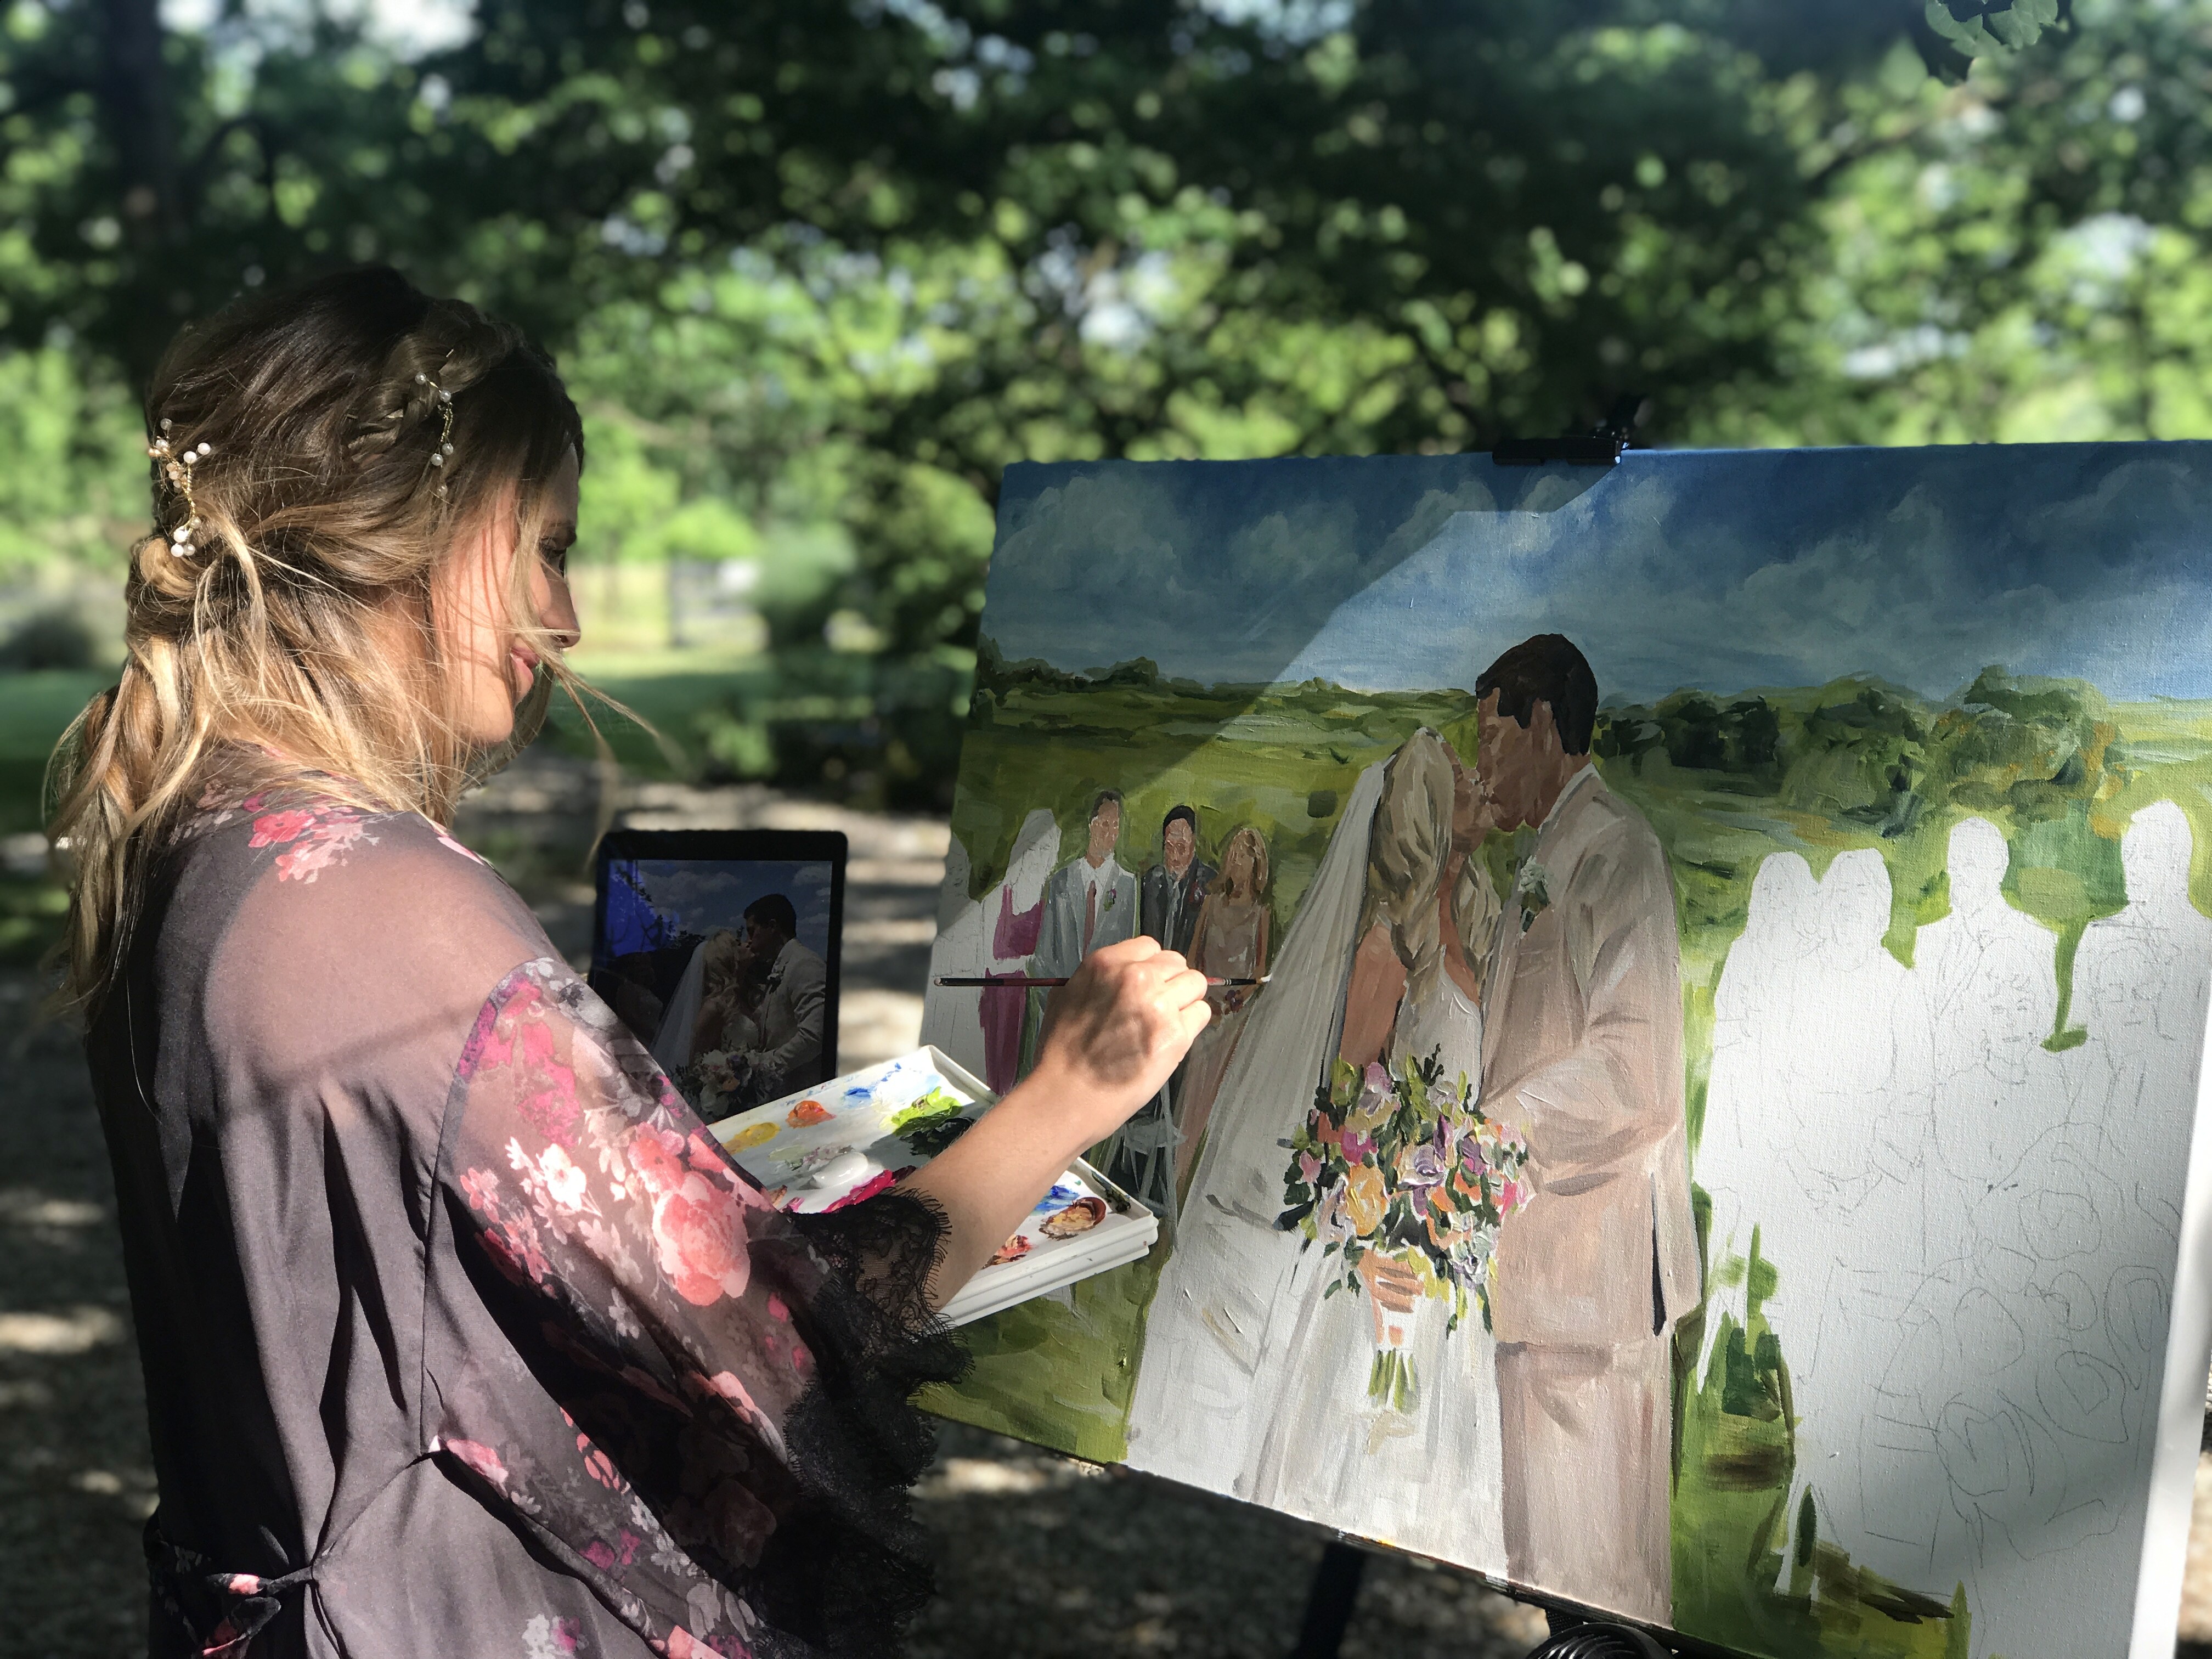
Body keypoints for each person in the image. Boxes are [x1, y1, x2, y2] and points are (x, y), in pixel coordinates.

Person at [49, 266, 1210, 1659]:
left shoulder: (204, 831)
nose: (571, 612)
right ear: (414, 526)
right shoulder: (380, 903)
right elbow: (791, 1352)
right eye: (544, 544)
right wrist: (1068, 1096)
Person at [1472, 634, 1699, 1626]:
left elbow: (1634, 1067)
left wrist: (1488, 1133)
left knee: (1601, 1598)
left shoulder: (1618, 846)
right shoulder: (1548, 848)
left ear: (1548, 727)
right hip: (1539, 1278)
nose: (1482, 767)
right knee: (1551, 1578)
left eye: (1492, 742)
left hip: (1594, 1289)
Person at [1237, 732, 1506, 1570]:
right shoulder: (1386, 948)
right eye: (1460, 777)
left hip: (1451, 1237)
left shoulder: (1484, 921)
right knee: (1362, 1446)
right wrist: (1386, 1226)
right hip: (1389, 1247)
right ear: (1428, 809)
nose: (1479, 781)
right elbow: (1344, 1113)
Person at [1171, 823, 1273, 1189]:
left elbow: (1259, 973)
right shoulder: (1212, 905)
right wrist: (1203, 999)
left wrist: (1233, 1004)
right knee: (1194, 1094)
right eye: (1233, 855)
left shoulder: (1261, 914)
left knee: (1225, 1097)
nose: (1237, 862)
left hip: (1236, 1016)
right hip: (1205, 1009)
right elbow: (1192, 956)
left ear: (1256, 864)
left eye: (1245, 856)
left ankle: (1208, 1183)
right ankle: (1180, 1174)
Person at [721, 893, 828, 1105]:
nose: (749, 942)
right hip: (781, 1094)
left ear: (772, 926)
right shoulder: (781, 967)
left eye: (753, 932)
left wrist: (763, 1064)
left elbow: (814, 1036)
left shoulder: (805, 965)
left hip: (803, 1093)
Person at [1140, 805, 1214, 958]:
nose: (1174, 857)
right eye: (1169, 847)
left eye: (1181, 848)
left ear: (1193, 845)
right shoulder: (1151, 881)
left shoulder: (1209, 884)